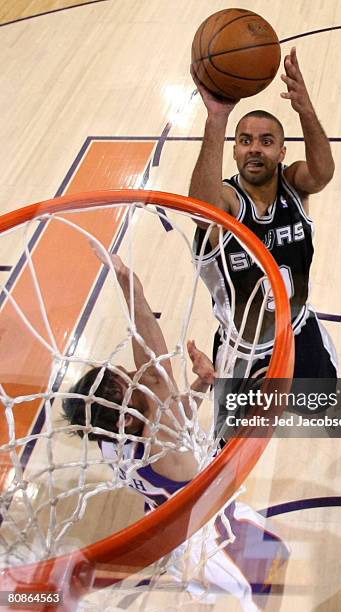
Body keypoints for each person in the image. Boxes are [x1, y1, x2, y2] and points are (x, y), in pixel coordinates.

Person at [62, 248, 289, 611]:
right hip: (213, 535)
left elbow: (174, 421)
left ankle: (199, 583)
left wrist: (202, 385)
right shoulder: (160, 441)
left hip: (172, 523)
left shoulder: (111, 437)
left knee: (214, 579)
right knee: (271, 576)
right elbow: (154, 369)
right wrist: (125, 279)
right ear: (127, 419)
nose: (140, 377)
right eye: (133, 383)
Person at [190, 47, 338, 383]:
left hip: (296, 330)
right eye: (245, 140)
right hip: (242, 346)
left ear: (282, 151)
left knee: (319, 408)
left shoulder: (293, 184)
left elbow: (323, 173)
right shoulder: (228, 199)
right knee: (237, 436)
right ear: (235, 150)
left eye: (266, 141)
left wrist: (305, 110)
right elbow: (202, 211)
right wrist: (217, 118)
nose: (254, 147)